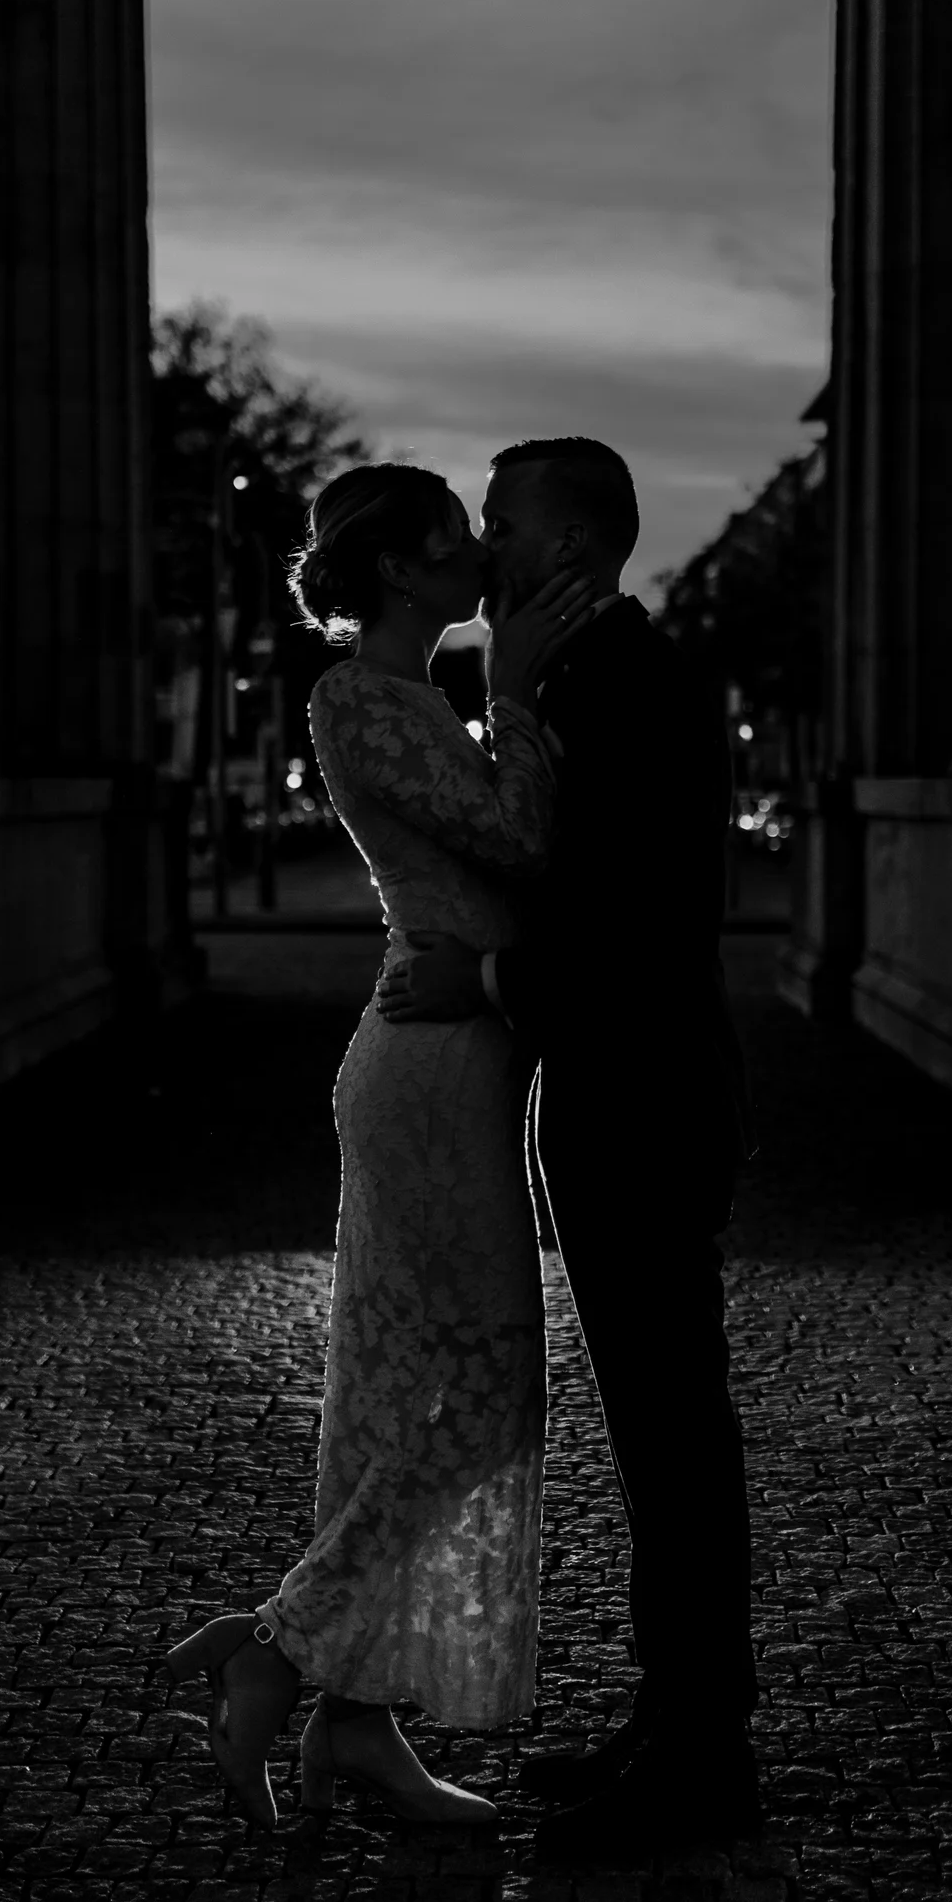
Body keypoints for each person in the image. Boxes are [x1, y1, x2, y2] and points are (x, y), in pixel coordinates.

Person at [166, 462, 594, 1830]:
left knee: (401, 1383)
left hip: (457, 1061)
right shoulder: (358, 698)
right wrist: (516, 694)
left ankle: (356, 1726)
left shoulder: (409, 698)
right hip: (424, 1072)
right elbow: (521, 844)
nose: (482, 551)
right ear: (404, 569)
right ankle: (285, 1648)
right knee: (488, 1389)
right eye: (456, 535)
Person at [378, 436, 758, 1860]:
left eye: (502, 522)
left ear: (572, 548)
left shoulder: (639, 692)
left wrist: (483, 988)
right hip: (626, 1103)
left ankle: (705, 1755)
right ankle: (679, 1723)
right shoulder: (599, 681)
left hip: (644, 1103)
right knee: (662, 1433)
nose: (484, 545)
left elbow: (632, 932)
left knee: (673, 1435)